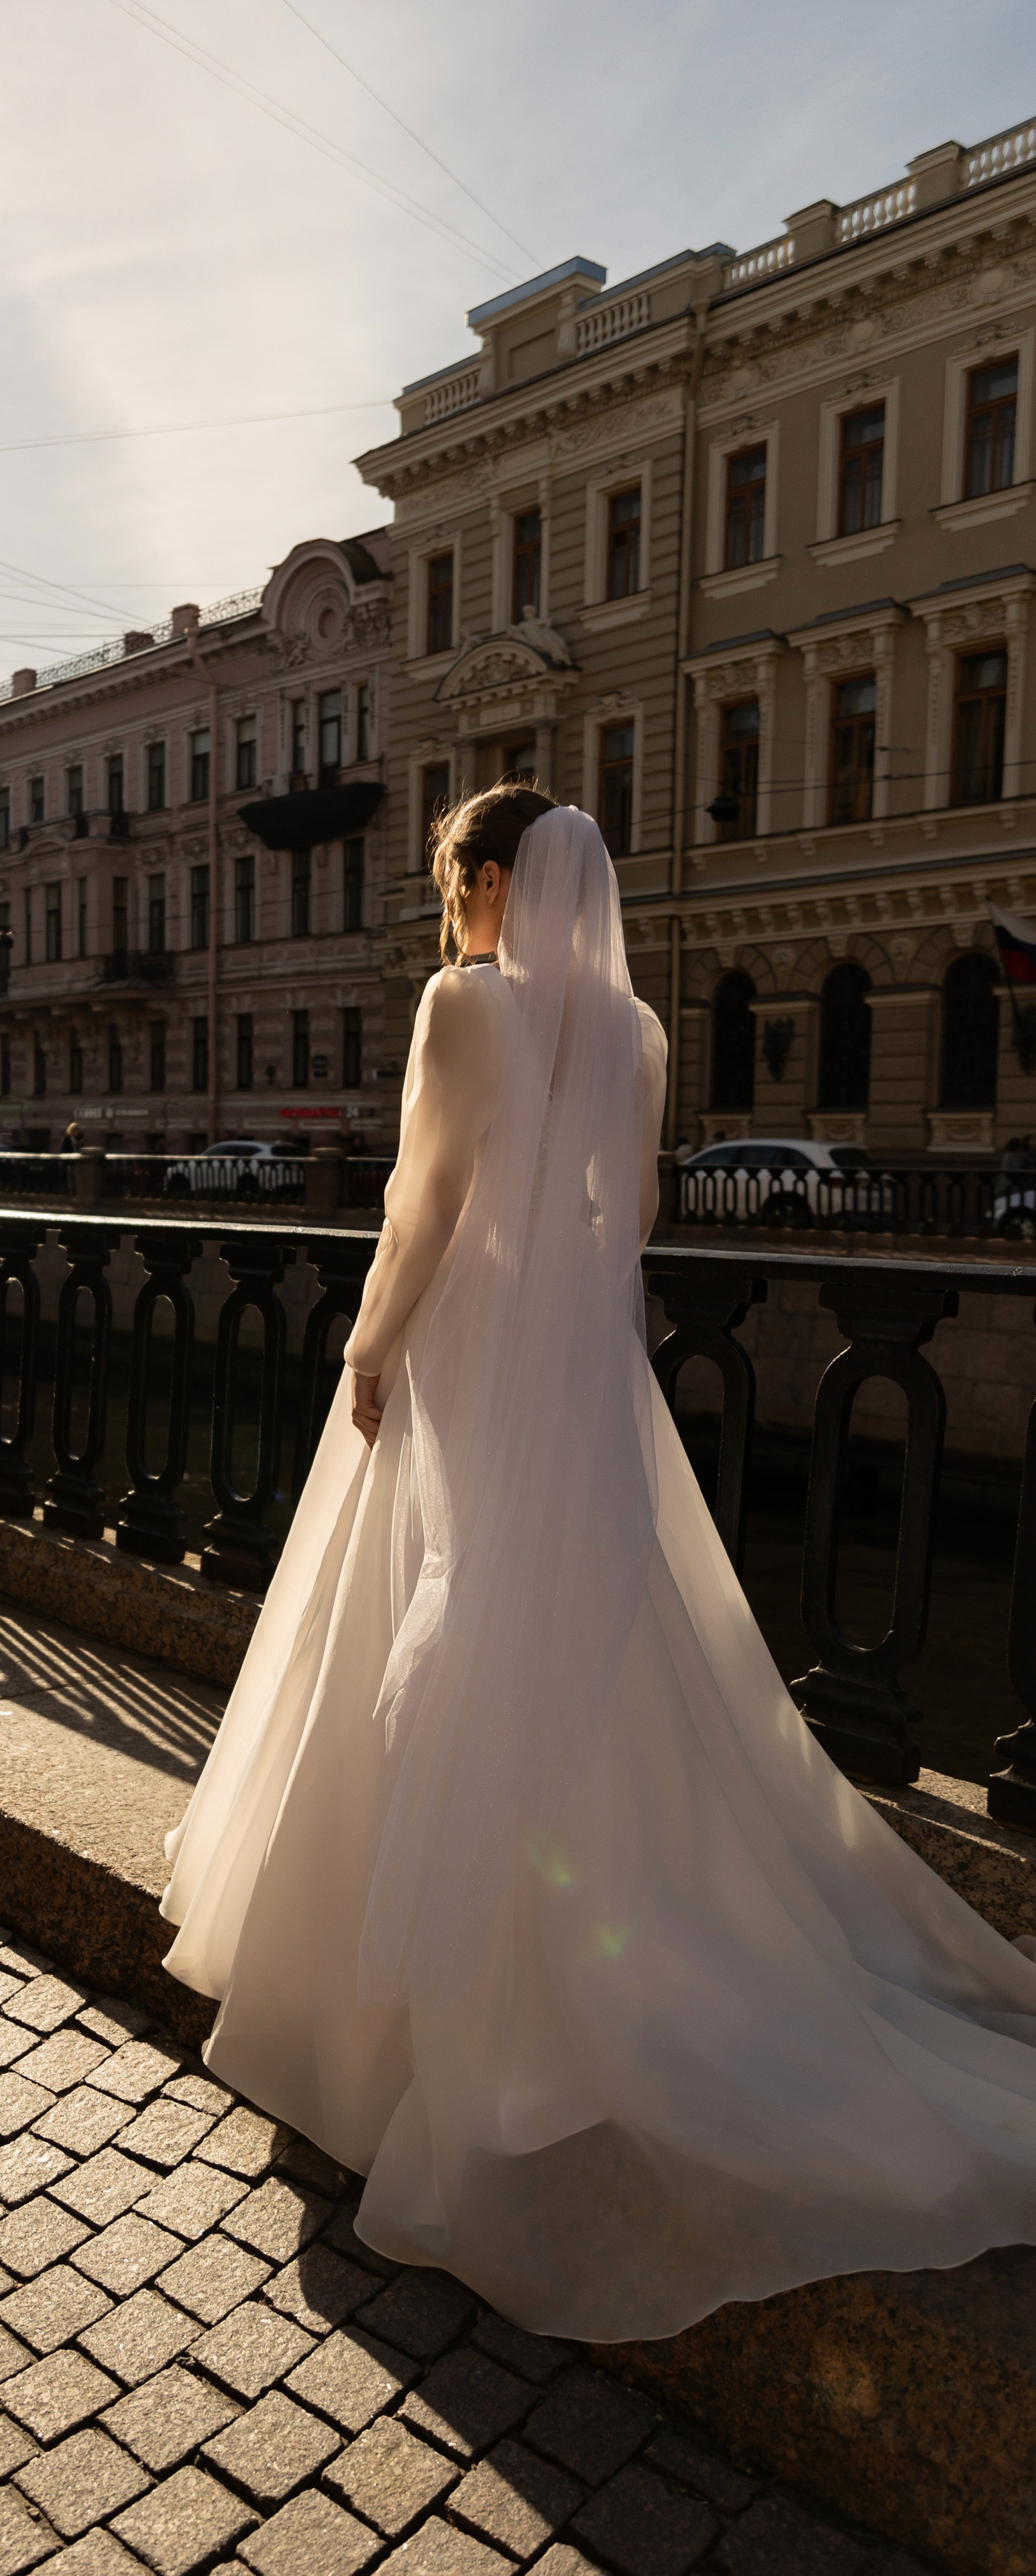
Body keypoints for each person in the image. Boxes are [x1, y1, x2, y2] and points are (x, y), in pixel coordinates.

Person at [162, 787, 1036, 2345]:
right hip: (576, 1380)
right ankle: (577, 1942)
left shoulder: (460, 1006)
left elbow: (425, 1203)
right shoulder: (630, 1035)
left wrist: (369, 1347)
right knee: (575, 1644)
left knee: (416, 1618)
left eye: (453, 885)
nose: (448, 913)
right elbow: (621, 1214)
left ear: (487, 883)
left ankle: (389, 2000)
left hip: (465, 1354)